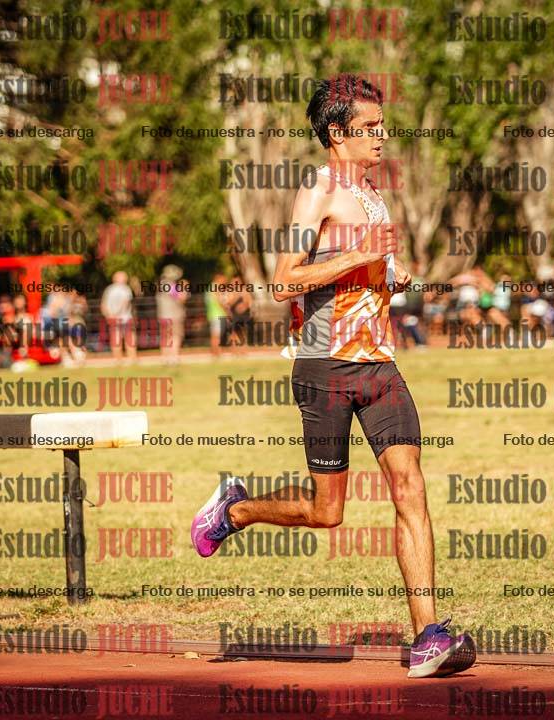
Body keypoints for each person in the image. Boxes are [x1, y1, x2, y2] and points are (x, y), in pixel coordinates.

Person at [190, 73, 475, 679]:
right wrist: (360, 256)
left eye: (382, 126)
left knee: (410, 487)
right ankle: (235, 510)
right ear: (337, 133)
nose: (381, 136)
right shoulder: (318, 189)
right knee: (328, 513)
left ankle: (427, 636)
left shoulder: (372, 194)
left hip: (379, 364)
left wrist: (390, 274)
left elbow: (366, 270)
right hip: (325, 366)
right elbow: (283, 280)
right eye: (369, 128)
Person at [101, 271, 137, 363]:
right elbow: (125, 302)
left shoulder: (108, 289)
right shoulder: (125, 289)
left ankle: (118, 360)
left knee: (115, 339)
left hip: (112, 318)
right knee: (129, 339)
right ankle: (132, 359)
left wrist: (108, 315)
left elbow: (103, 304)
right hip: (125, 318)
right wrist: (116, 313)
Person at [155, 265, 188, 364]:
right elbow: (181, 298)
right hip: (174, 315)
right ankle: (173, 357)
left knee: (165, 336)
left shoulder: (161, 285)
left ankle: (165, 357)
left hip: (163, 315)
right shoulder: (171, 285)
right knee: (175, 336)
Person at [204, 272, 229, 357]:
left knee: (215, 334)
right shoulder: (216, 287)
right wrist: (226, 310)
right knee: (217, 334)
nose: (225, 281)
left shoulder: (210, 287)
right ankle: (217, 352)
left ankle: (215, 352)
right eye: (224, 279)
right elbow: (219, 301)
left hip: (212, 314)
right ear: (219, 278)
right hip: (217, 313)